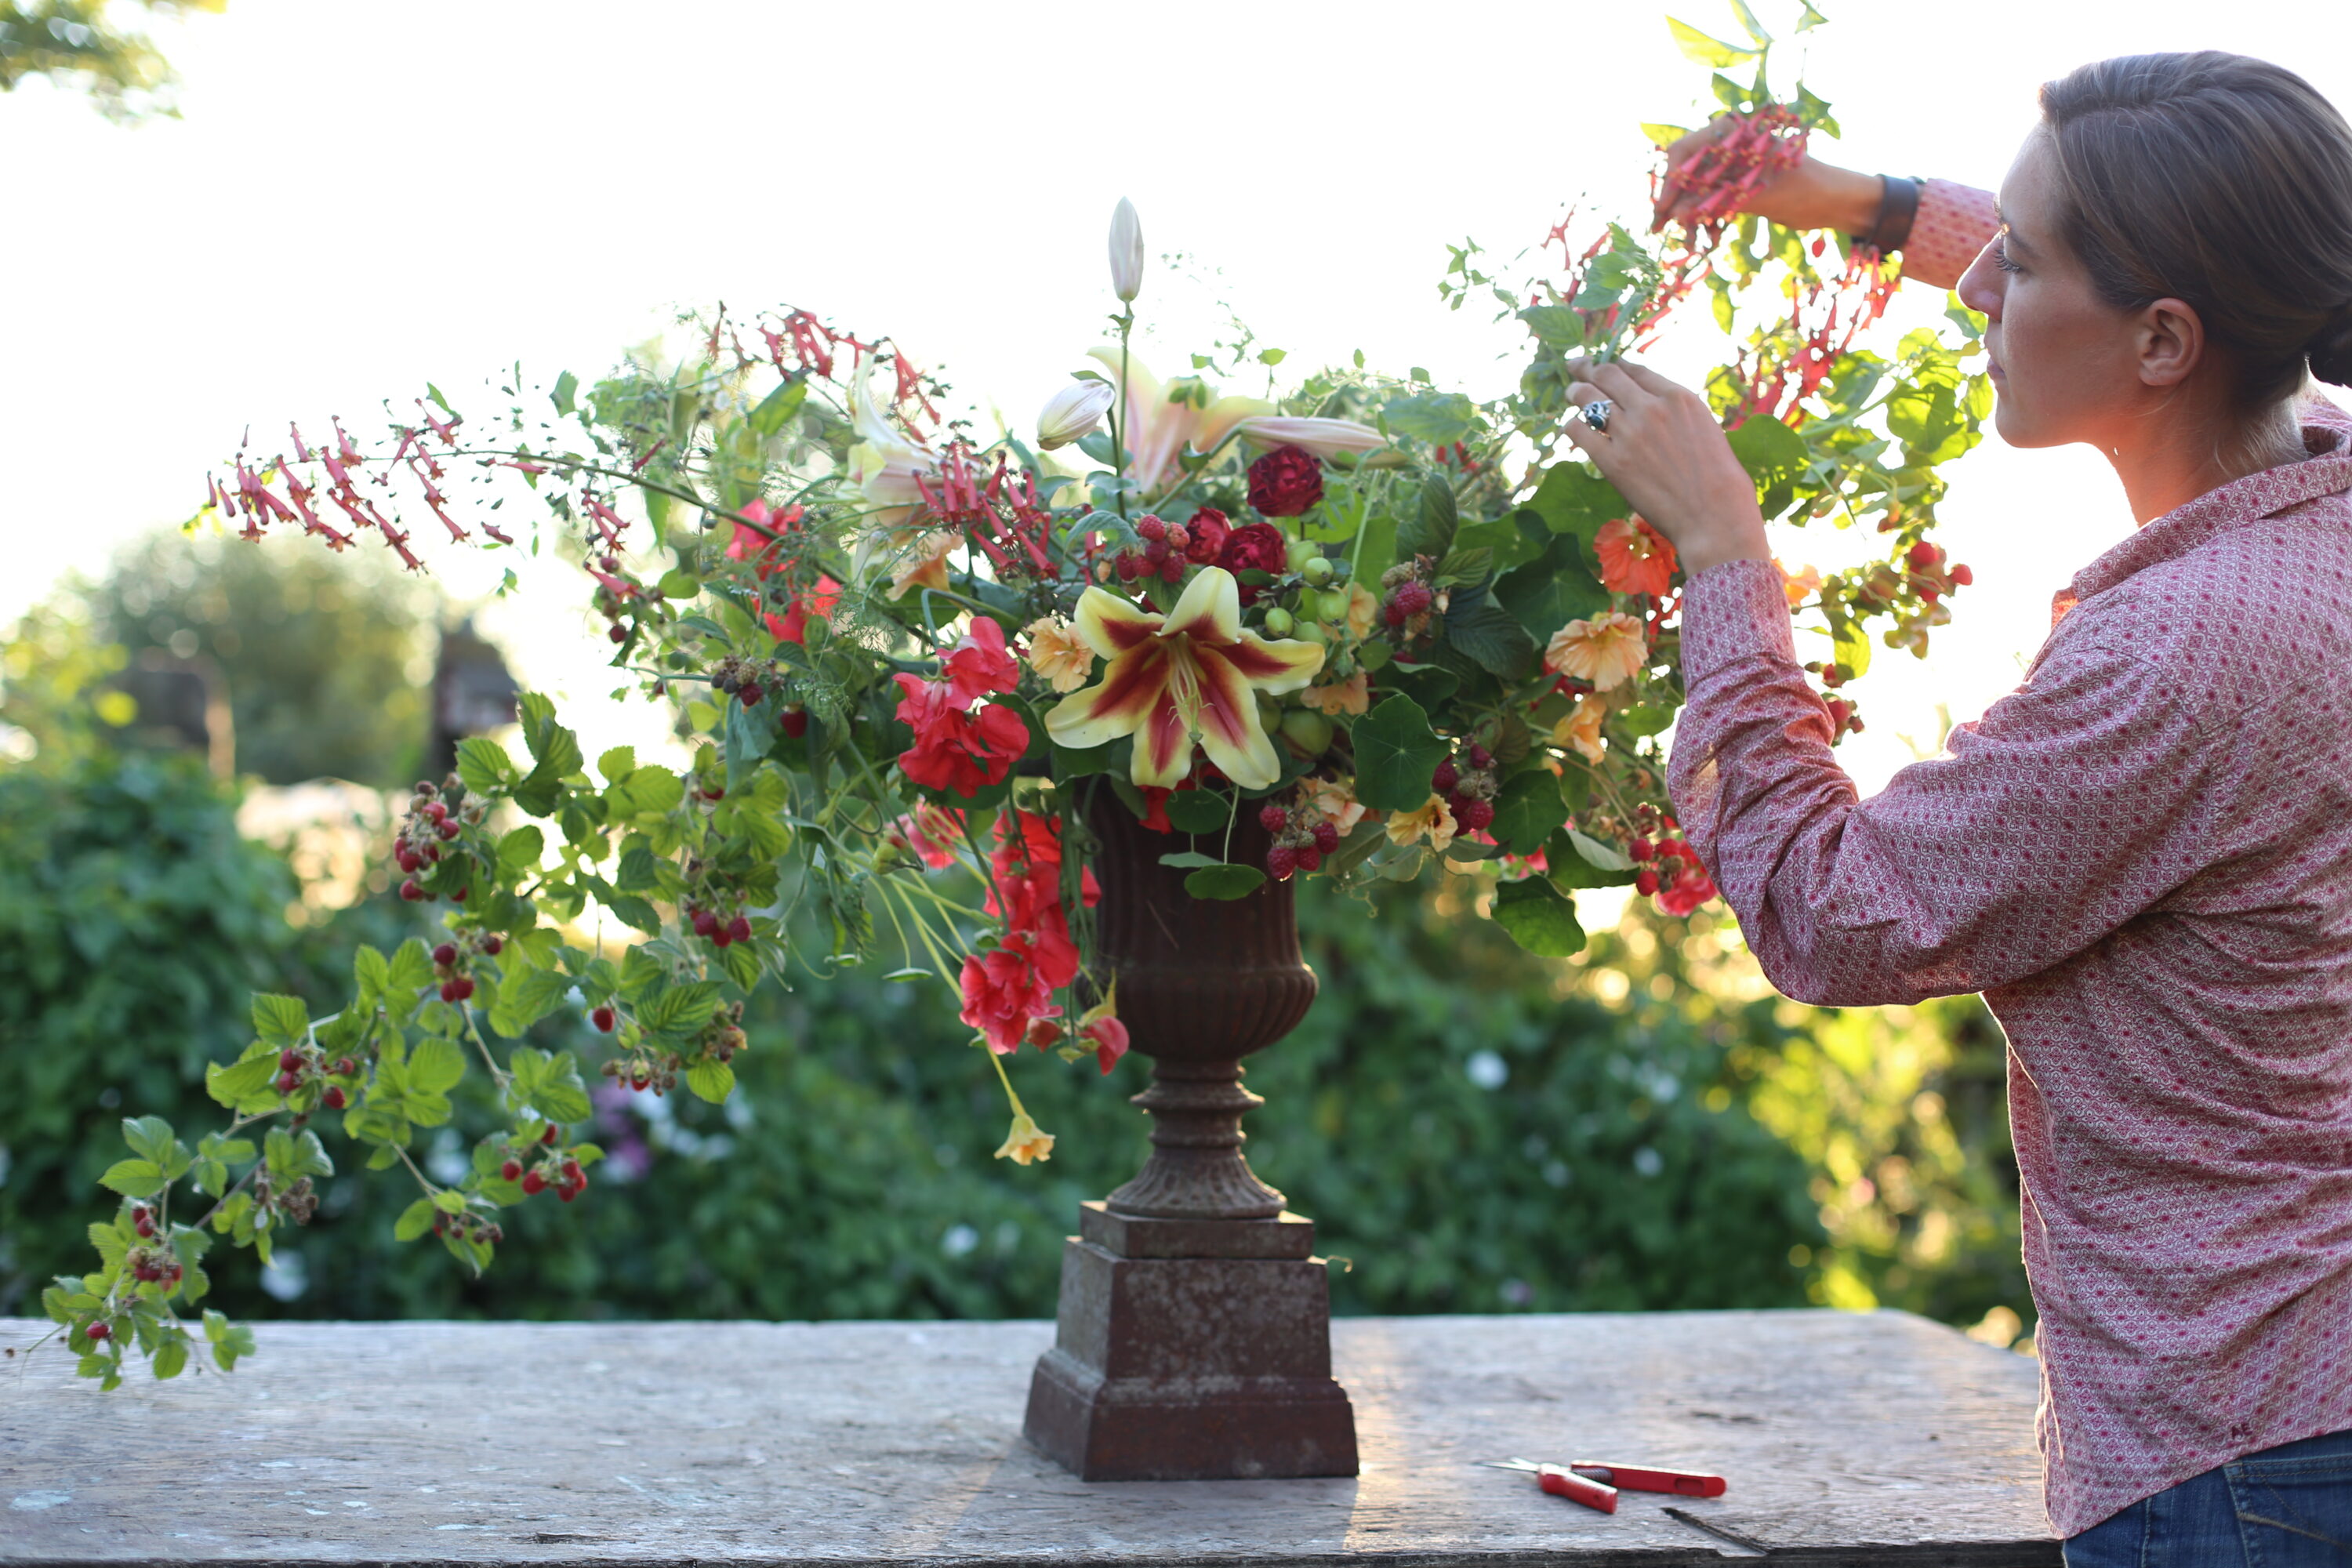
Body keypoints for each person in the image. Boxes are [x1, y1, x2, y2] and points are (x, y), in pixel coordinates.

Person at [1570, 53, 2352, 1567]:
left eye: (2027, 256)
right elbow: (2132, 271)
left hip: (2245, 1461)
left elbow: (1828, 908)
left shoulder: (2180, 655)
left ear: (2167, 339)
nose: (1985, 277)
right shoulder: (2319, 503)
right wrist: (1867, 208)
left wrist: (1728, 557)